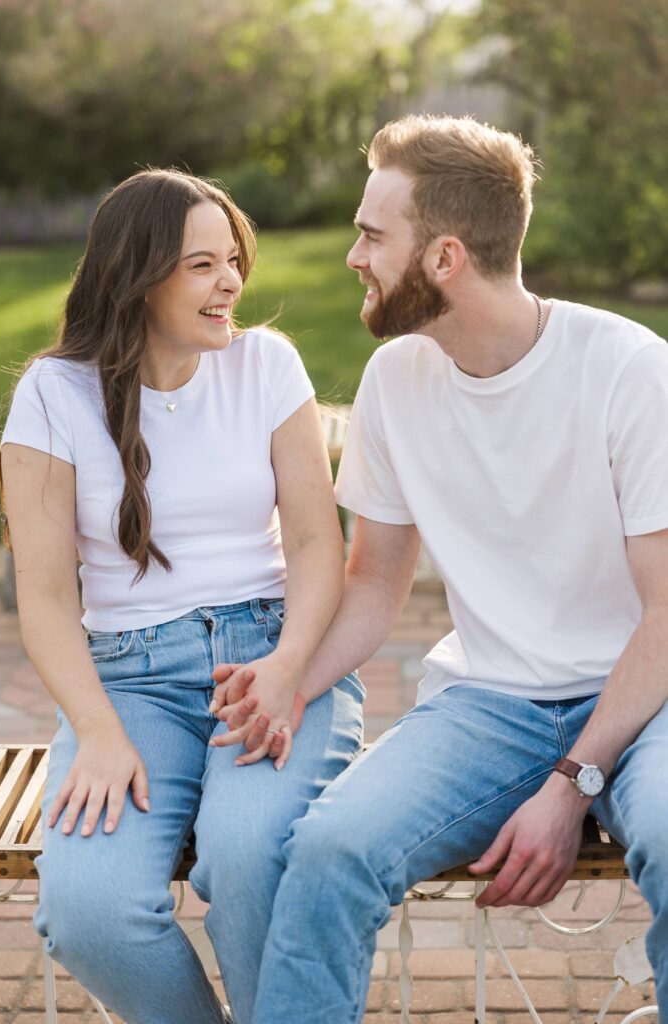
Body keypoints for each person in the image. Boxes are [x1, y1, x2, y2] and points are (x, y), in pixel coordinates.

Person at [212, 115, 668, 1024]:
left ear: (445, 257)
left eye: (372, 236)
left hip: (644, 698)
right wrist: (290, 679)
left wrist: (571, 783)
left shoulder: (630, 371)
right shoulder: (395, 379)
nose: (352, 256)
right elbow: (375, 582)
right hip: (491, 704)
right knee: (331, 851)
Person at [0, 168, 364, 1024]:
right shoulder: (52, 395)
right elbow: (46, 599)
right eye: (202, 265)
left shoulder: (266, 364)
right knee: (87, 909)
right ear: (138, 273)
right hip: (127, 683)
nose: (231, 282)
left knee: (249, 855)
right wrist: (95, 730)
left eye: (233, 260)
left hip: (272, 655)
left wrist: (288, 669)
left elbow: (317, 545)